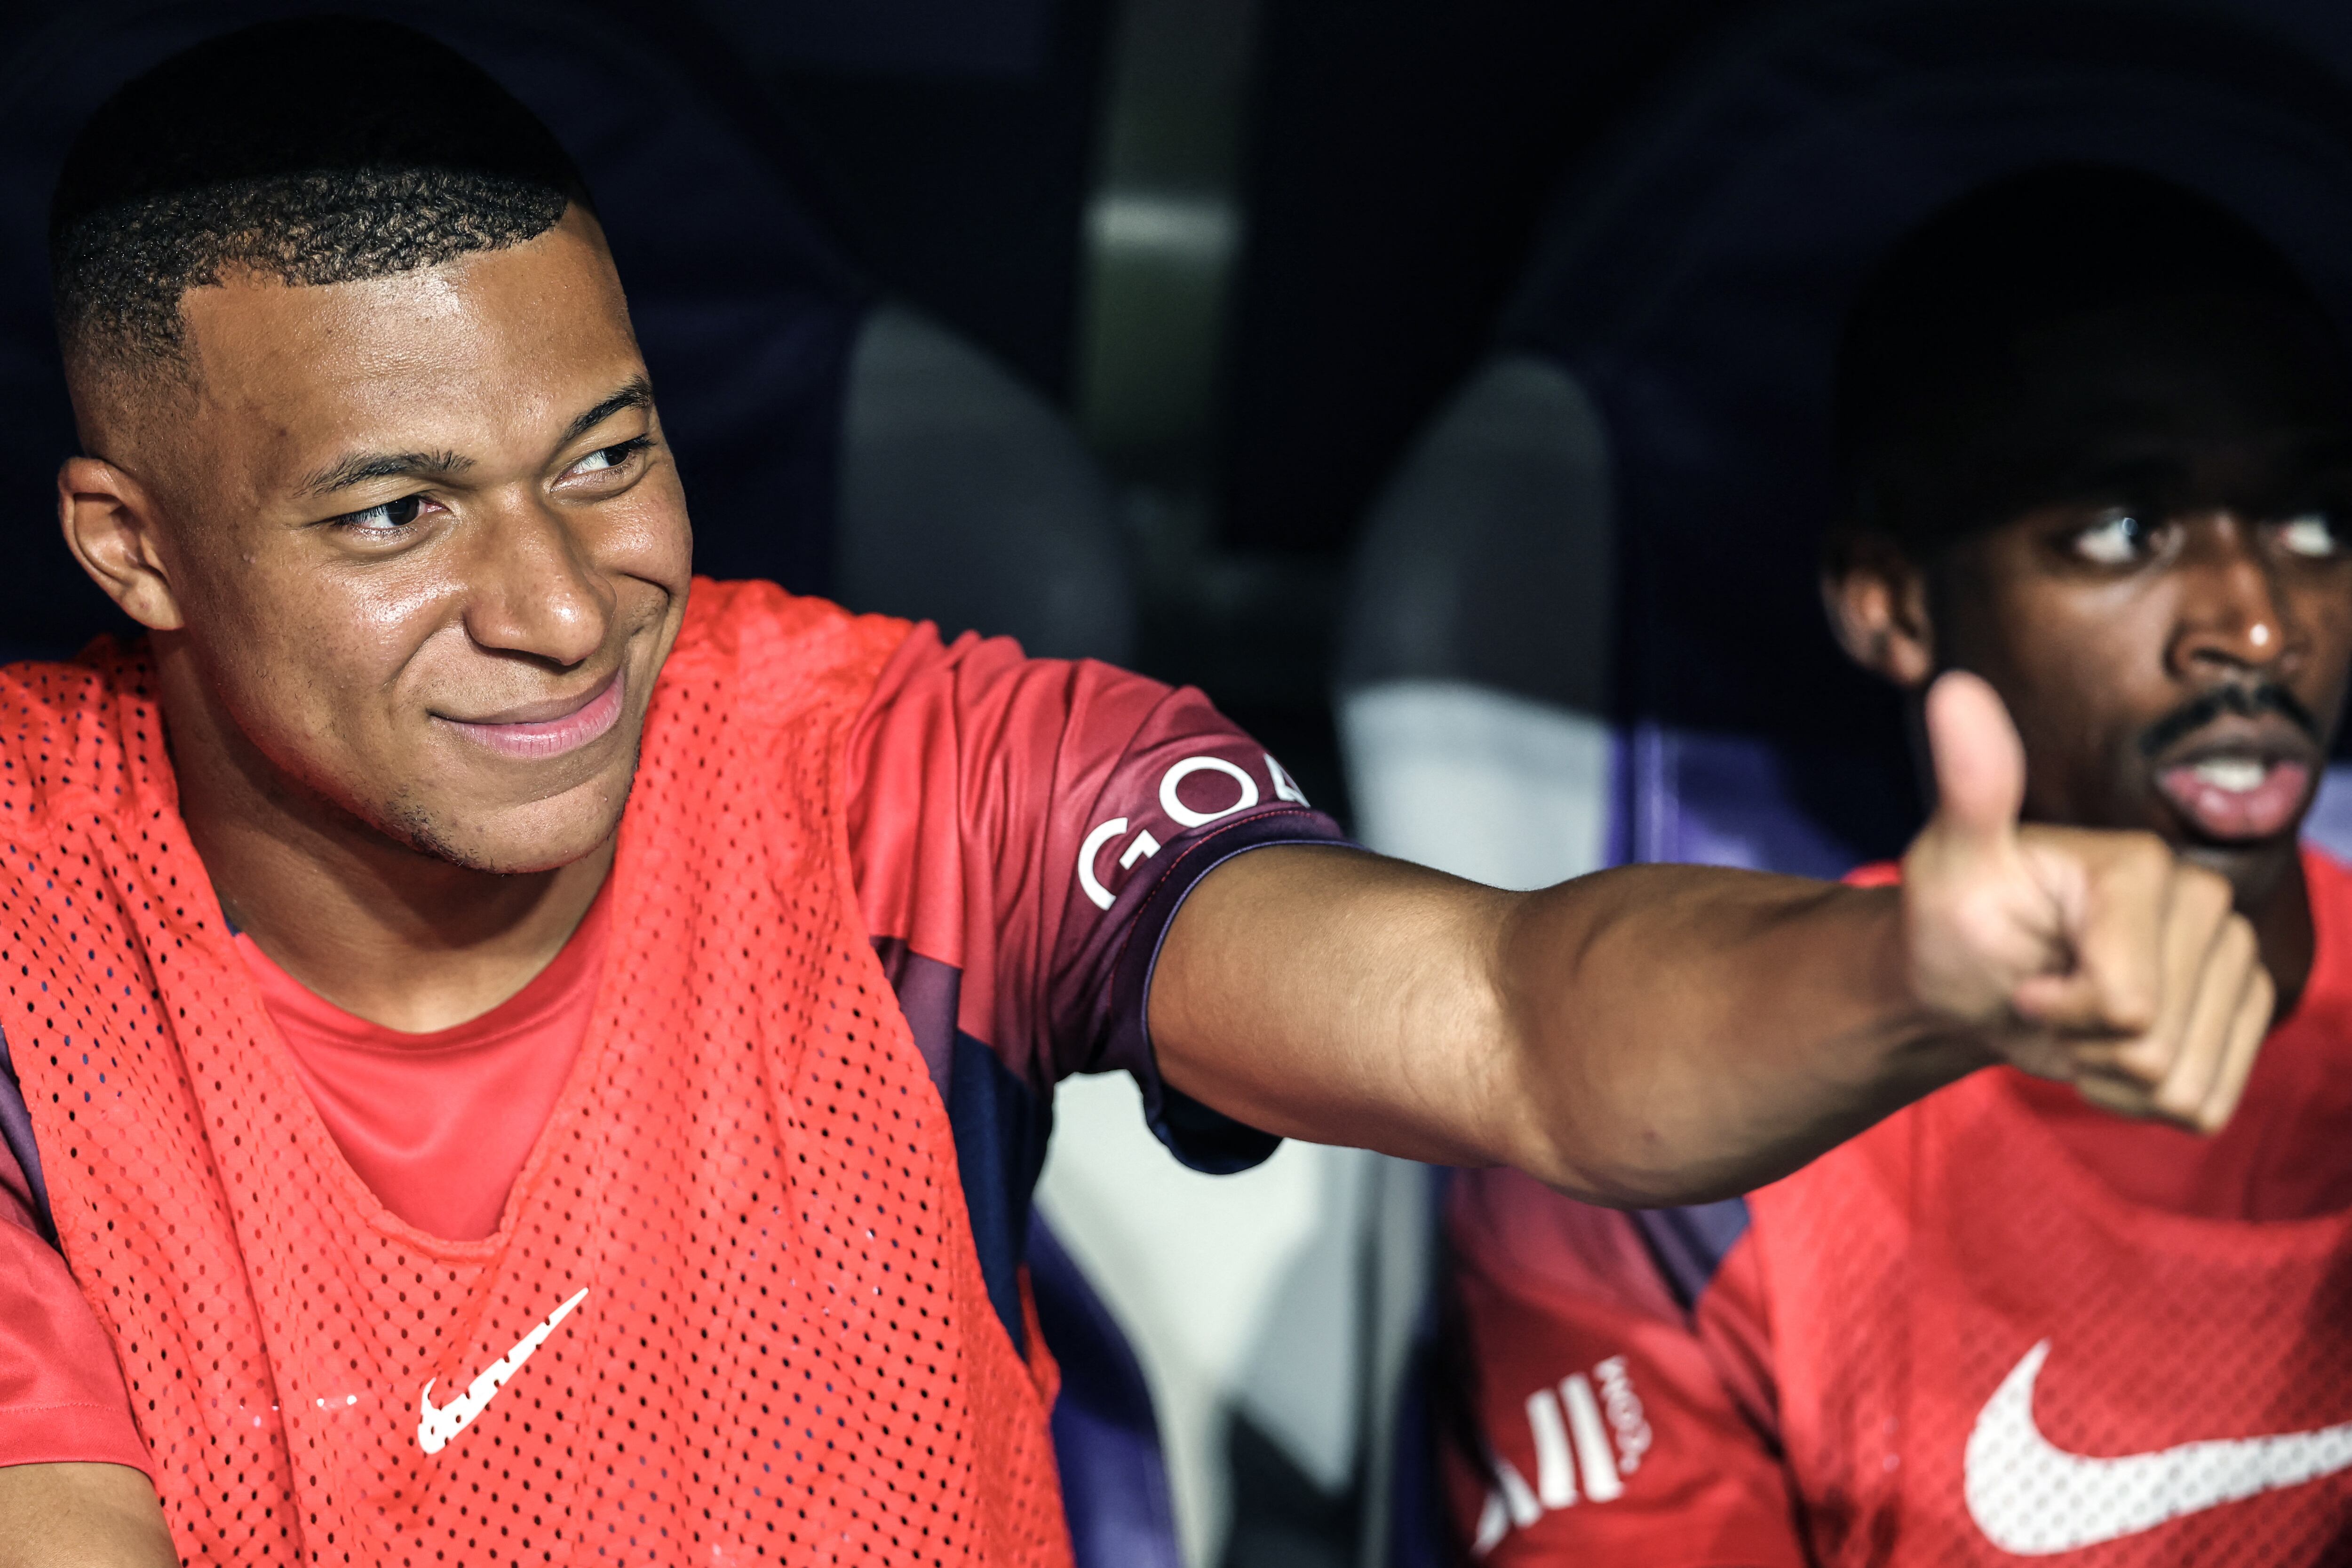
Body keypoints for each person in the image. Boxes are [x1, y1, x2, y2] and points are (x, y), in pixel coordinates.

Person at [0, 24, 2265, 1563]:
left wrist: (1896, 964)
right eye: (398, 519)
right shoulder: (29, 936)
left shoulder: (910, 769)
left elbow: (1511, 1023)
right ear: (134, 546)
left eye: (607, 461)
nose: (563, 608)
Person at [1444, 164, 2352, 1567]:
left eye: (2313, 524)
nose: (2252, 624)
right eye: (2126, 533)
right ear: (1891, 601)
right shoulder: (1665, 1148)